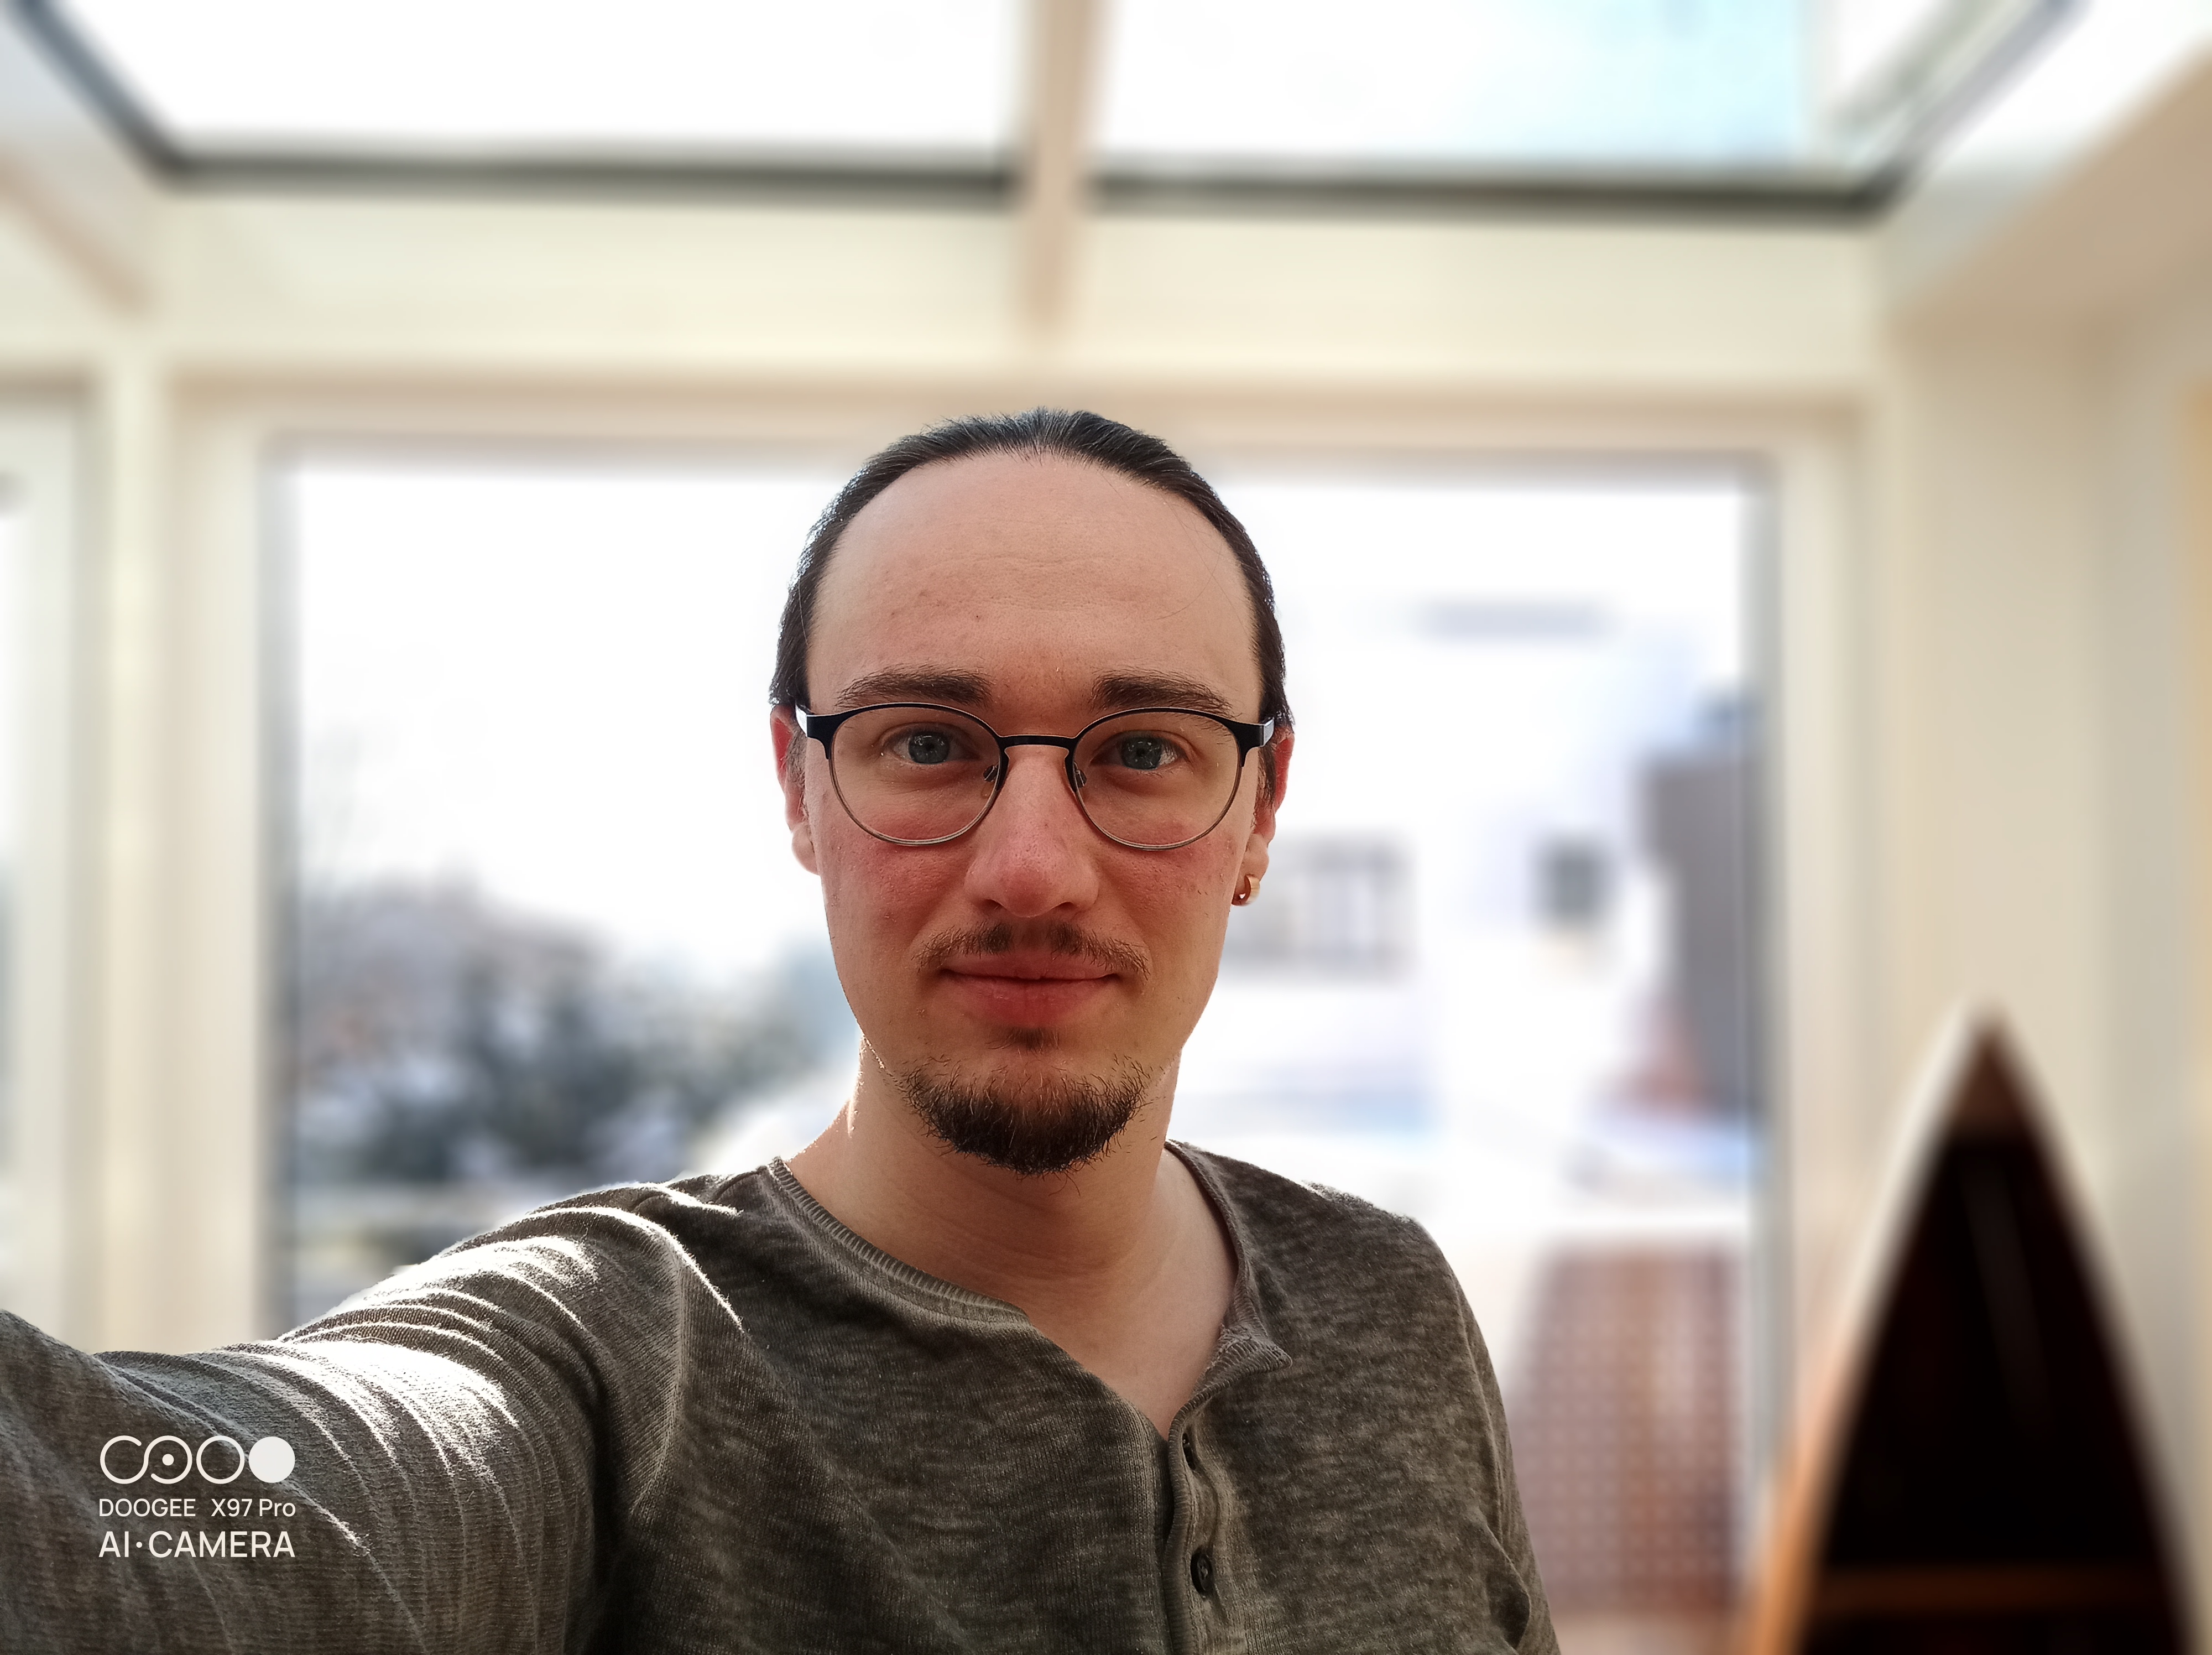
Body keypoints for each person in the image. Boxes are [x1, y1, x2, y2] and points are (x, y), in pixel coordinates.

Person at [0, 409, 1557, 1653]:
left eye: (1143, 749)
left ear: (1261, 808)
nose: (1032, 869)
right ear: (801, 790)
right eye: (927, 742)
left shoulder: (1391, 1301)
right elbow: (182, 1514)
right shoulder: (614, 1369)